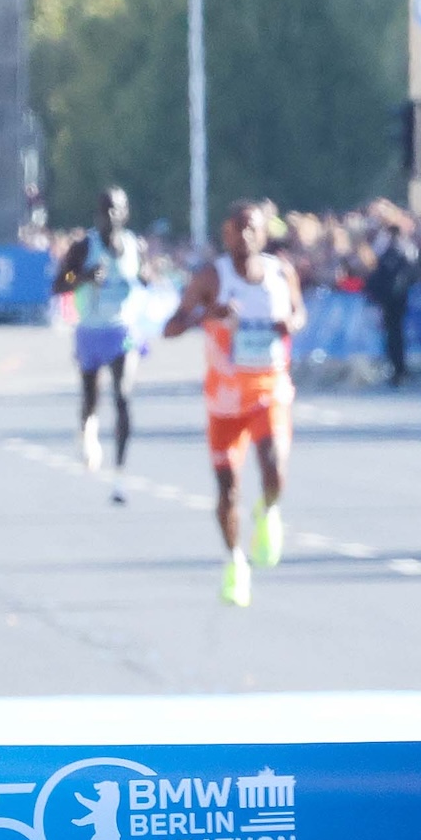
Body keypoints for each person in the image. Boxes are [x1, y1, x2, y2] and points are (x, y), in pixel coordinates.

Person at [162, 201, 306, 608]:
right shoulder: (212, 277)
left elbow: (298, 312)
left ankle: (268, 510)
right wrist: (209, 313)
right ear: (225, 234)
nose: (244, 236)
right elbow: (171, 327)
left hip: (270, 387)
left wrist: (291, 324)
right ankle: (235, 563)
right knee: (228, 489)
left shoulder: (282, 273)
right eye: (237, 229)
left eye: (252, 229)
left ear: (264, 234)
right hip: (225, 398)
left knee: (274, 467)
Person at [49, 186, 148, 502]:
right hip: (91, 331)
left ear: (126, 213)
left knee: (122, 396)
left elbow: (146, 276)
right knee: (91, 396)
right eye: (105, 210)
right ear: (97, 214)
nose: (110, 216)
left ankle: (120, 475)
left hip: (122, 331)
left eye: (116, 209)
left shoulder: (135, 245)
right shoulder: (83, 247)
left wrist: (147, 277)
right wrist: (82, 278)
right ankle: (87, 432)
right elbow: (58, 284)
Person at [363, 210, 419, 387]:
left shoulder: (396, 249)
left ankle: (398, 368)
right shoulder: (402, 248)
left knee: (394, 333)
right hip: (395, 295)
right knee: (393, 332)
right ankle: (397, 367)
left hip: (393, 296)